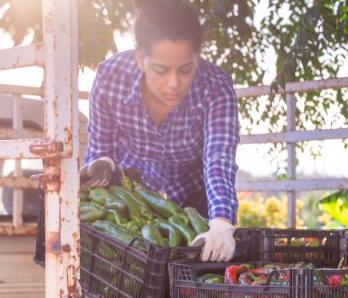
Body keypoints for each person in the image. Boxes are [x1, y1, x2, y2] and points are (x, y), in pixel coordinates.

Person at [81, 0, 240, 262]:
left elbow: (218, 159)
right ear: (141, 59)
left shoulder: (216, 87)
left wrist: (221, 222)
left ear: (197, 58)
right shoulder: (110, 77)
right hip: (134, 198)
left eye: (186, 69)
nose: (174, 83)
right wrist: (101, 164)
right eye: (161, 70)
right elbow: (101, 146)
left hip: (194, 197)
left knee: (195, 284)